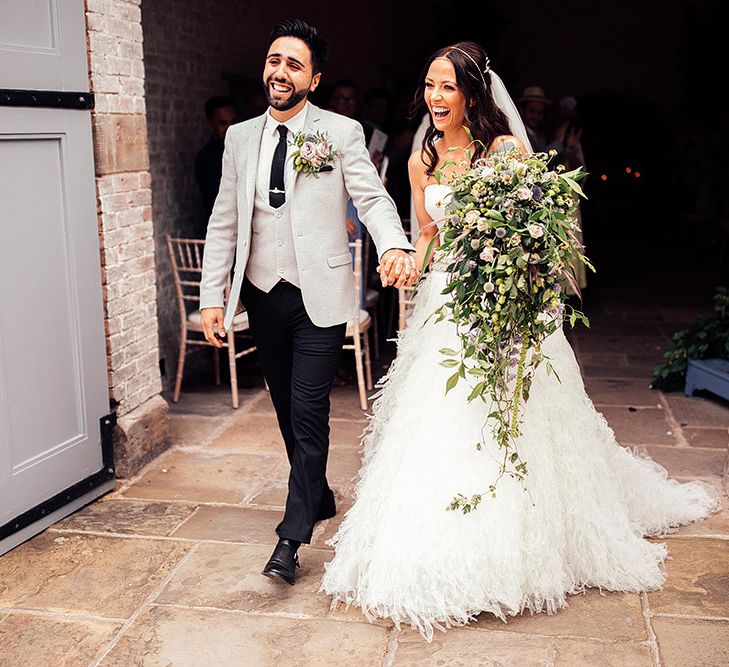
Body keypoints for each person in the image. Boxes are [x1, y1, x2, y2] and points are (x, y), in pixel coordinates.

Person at [320, 41, 718, 641]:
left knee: (510, 421)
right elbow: (428, 233)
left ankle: (517, 542)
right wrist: (405, 260)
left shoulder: (504, 151)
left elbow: (535, 238)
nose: (435, 97)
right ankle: (438, 546)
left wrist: (515, 293)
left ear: (473, 94)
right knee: (438, 419)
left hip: (504, 311)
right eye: (429, 86)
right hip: (445, 307)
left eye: (448, 87)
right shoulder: (420, 156)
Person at [198, 19, 417, 587]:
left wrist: (394, 243)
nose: (280, 71)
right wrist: (212, 298)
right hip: (263, 294)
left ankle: (291, 538)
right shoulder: (240, 137)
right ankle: (317, 495)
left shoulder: (341, 133)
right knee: (282, 409)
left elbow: (372, 199)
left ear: (313, 79)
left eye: (294, 64)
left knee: (307, 410)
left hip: (320, 293)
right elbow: (224, 221)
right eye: (274, 60)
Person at [194, 96, 236, 221]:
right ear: (211, 124)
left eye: (233, 122)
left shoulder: (247, 147)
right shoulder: (206, 158)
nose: (230, 128)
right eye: (223, 123)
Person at [517, 85, 550, 152]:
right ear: (522, 111)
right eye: (532, 111)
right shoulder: (518, 133)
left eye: (540, 113)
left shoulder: (542, 134)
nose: (535, 116)